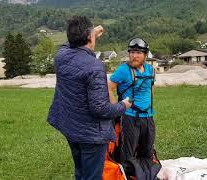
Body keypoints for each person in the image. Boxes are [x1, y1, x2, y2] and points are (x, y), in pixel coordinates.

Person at [47, 16, 132, 180]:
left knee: (80, 170)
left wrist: (91, 33)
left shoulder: (61, 56)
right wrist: (123, 105)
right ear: (89, 38)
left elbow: (68, 44)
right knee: (92, 175)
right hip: (90, 135)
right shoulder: (94, 66)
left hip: (70, 128)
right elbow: (100, 108)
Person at [108, 38, 156, 168]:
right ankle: (127, 175)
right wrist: (116, 109)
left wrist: (149, 107)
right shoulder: (123, 70)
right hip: (129, 117)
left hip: (148, 117)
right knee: (128, 155)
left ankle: (145, 174)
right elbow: (109, 88)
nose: (134, 56)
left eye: (138, 53)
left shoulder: (151, 70)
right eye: (132, 52)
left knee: (147, 151)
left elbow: (150, 88)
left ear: (145, 55)